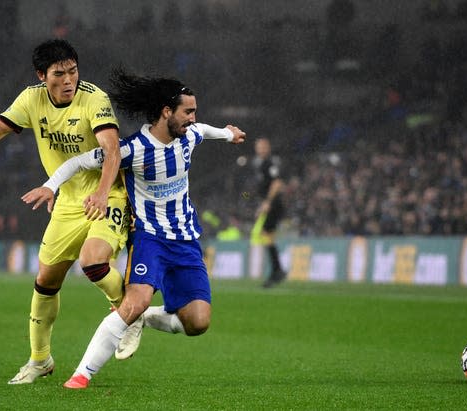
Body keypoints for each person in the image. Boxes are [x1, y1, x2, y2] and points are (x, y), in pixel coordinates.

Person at [26, 67, 246, 389]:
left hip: (185, 240)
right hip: (149, 239)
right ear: (166, 112)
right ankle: (81, 375)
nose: (193, 118)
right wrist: (50, 185)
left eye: (194, 112)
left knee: (198, 322)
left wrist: (229, 134)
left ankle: (147, 318)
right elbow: (77, 162)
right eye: (188, 111)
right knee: (134, 301)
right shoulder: (131, 150)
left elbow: (206, 130)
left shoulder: (190, 134)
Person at [0, 39, 130, 385]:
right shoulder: (31, 99)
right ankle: (40, 360)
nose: (68, 79)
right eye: (59, 73)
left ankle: (129, 313)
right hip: (68, 202)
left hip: (108, 194)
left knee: (93, 261)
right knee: (45, 282)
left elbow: (112, 151)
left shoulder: (93, 98)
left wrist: (101, 194)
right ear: (43, 76)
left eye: (73, 71)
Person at [251, 137, 288, 288]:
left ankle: (277, 270)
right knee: (267, 235)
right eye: (259, 147)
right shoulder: (261, 164)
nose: (261, 149)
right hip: (269, 204)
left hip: (274, 205)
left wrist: (267, 202)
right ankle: (277, 270)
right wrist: (262, 205)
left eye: (263, 146)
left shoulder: (270, 163)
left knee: (266, 234)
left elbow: (277, 182)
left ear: (268, 147)